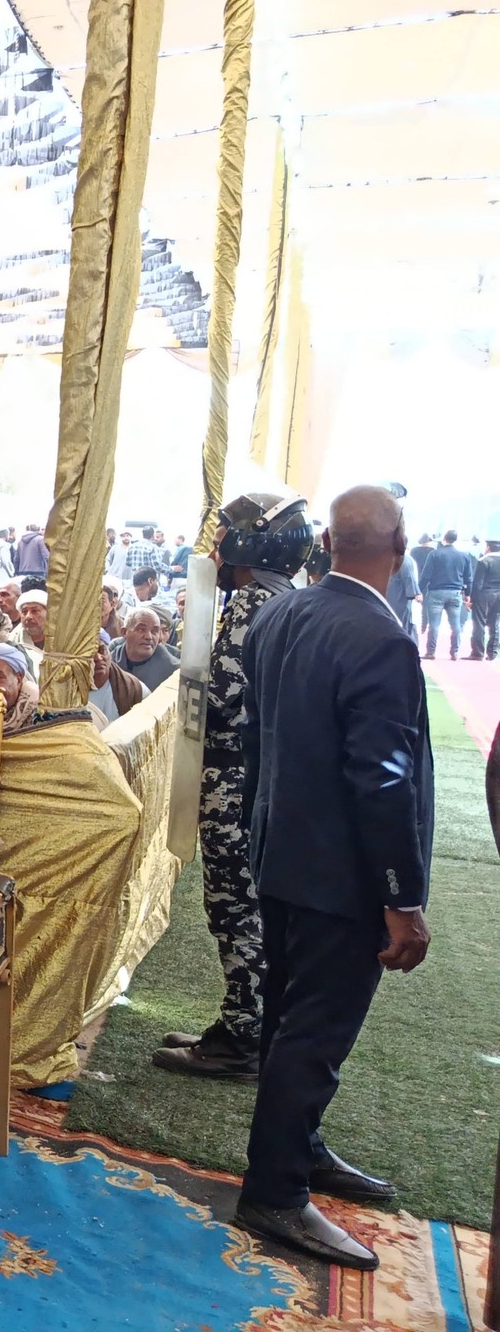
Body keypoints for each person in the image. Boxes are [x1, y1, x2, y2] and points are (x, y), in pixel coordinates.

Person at [231, 485, 434, 1270]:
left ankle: (300, 1148)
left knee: (289, 1020)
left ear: (326, 540)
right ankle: (275, 1191)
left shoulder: (281, 613)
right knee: (312, 1036)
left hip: (281, 857)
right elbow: (383, 782)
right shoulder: (380, 639)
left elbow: (258, 741)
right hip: (343, 878)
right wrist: (401, 899)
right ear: (400, 547)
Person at [154, 491, 310, 1082]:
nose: (215, 552)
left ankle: (243, 1039)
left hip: (230, 780)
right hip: (263, 780)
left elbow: (220, 695)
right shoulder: (288, 598)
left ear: (250, 545)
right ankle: (247, 1025)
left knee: (234, 910)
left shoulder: (249, 602)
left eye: (222, 540)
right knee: (253, 909)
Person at [418, 528, 476, 659]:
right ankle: (454, 651)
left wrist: (419, 591)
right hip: (455, 593)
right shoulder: (464, 556)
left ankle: (431, 652)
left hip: (436, 592)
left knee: (434, 624)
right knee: (455, 624)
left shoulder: (434, 554)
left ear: (444, 538)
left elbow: (426, 575)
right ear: (456, 539)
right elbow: (469, 578)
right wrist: (468, 594)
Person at [111, 604, 179, 693]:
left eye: (154, 631)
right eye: (141, 630)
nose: (149, 637)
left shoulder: (173, 672)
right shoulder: (109, 662)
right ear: (124, 632)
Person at [89, 631, 144, 725]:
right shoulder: (66, 691)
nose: (98, 658)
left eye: (102, 650)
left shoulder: (133, 688)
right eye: (90, 653)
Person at [472, 539, 500, 662]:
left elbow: (478, 583)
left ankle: (478, 652)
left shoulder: (484, 561)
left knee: (479, 623)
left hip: (484, 594)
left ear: (488, 547)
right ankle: (492, 652)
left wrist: (472, 599)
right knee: (495, 623)